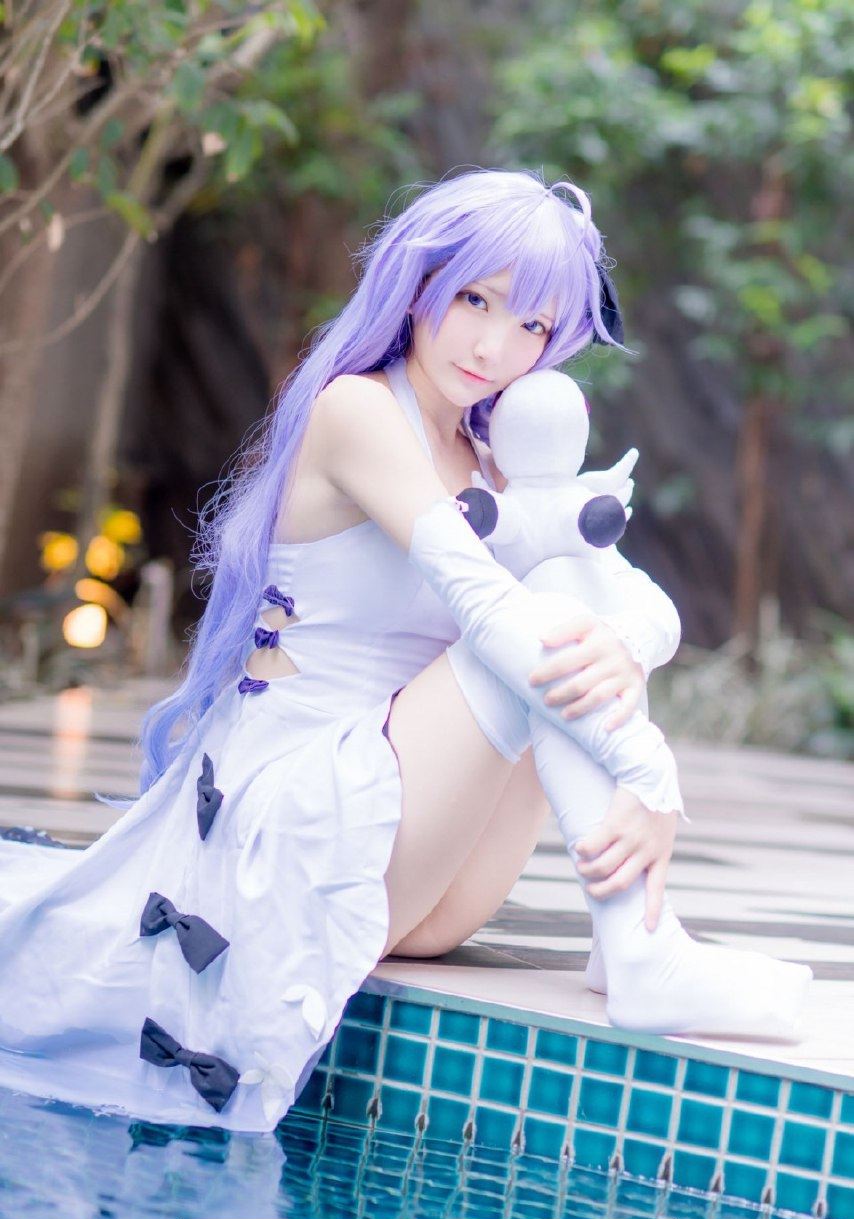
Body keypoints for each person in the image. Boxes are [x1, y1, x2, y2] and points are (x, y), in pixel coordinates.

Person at [0, 168, 812, 1134]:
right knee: (536, 618)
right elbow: (487, 607)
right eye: (475, 300)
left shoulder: (492, 455)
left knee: (575, 599)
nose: (495, 346)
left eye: (533, 326)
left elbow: (645, 605)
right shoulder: (356, 411)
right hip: (300, 828)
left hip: (414, 885)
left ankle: (630, 940)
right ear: (419, 281)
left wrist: (629, 647)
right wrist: (648, 770)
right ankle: (642, 953)